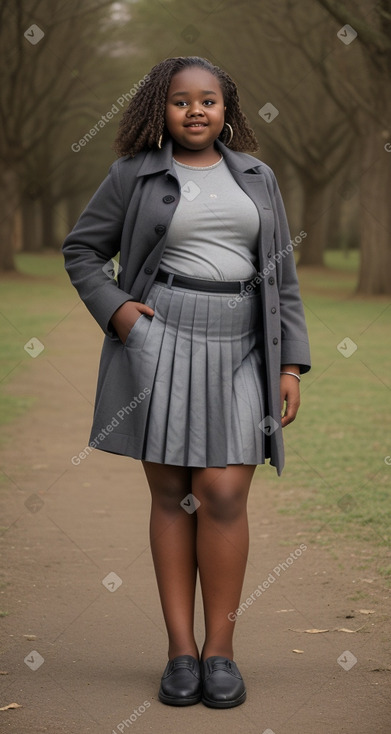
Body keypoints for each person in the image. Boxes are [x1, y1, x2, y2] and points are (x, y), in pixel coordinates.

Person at [62, 55, 311, 709]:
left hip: (244, 344)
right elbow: (82, 250)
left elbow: (281, 277)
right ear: (158, 110)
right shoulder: (131, 176)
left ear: (227, 109)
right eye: (180, 100)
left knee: (223, 492)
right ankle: (180, 653)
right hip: (160, 335)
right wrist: (117, 312)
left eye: (208, 100)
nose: (195, 110)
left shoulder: (258, 177)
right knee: (174, 493)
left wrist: (289, 365)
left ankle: (220, 652)